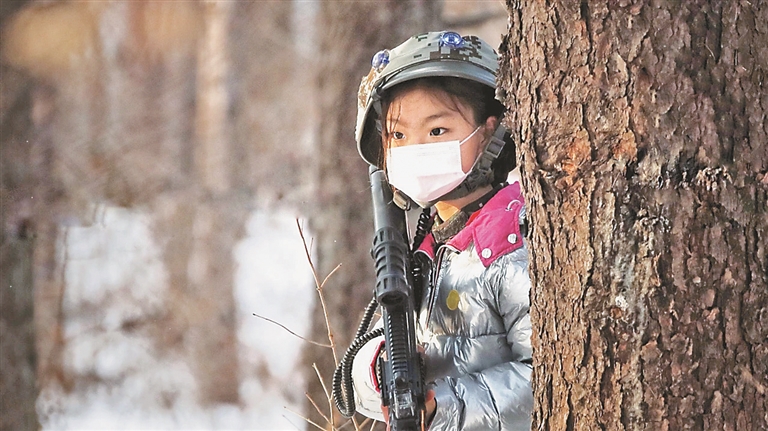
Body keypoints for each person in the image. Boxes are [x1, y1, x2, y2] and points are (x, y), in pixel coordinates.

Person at [350, 31, 533, 430]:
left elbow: (547, 377)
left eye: (437, 132)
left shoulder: (511, 240)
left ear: (489, 132)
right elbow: (359, 371)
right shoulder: (426, 246)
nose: (415, 148)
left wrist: (443, 409)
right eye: (399, 135)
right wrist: (379, 371)